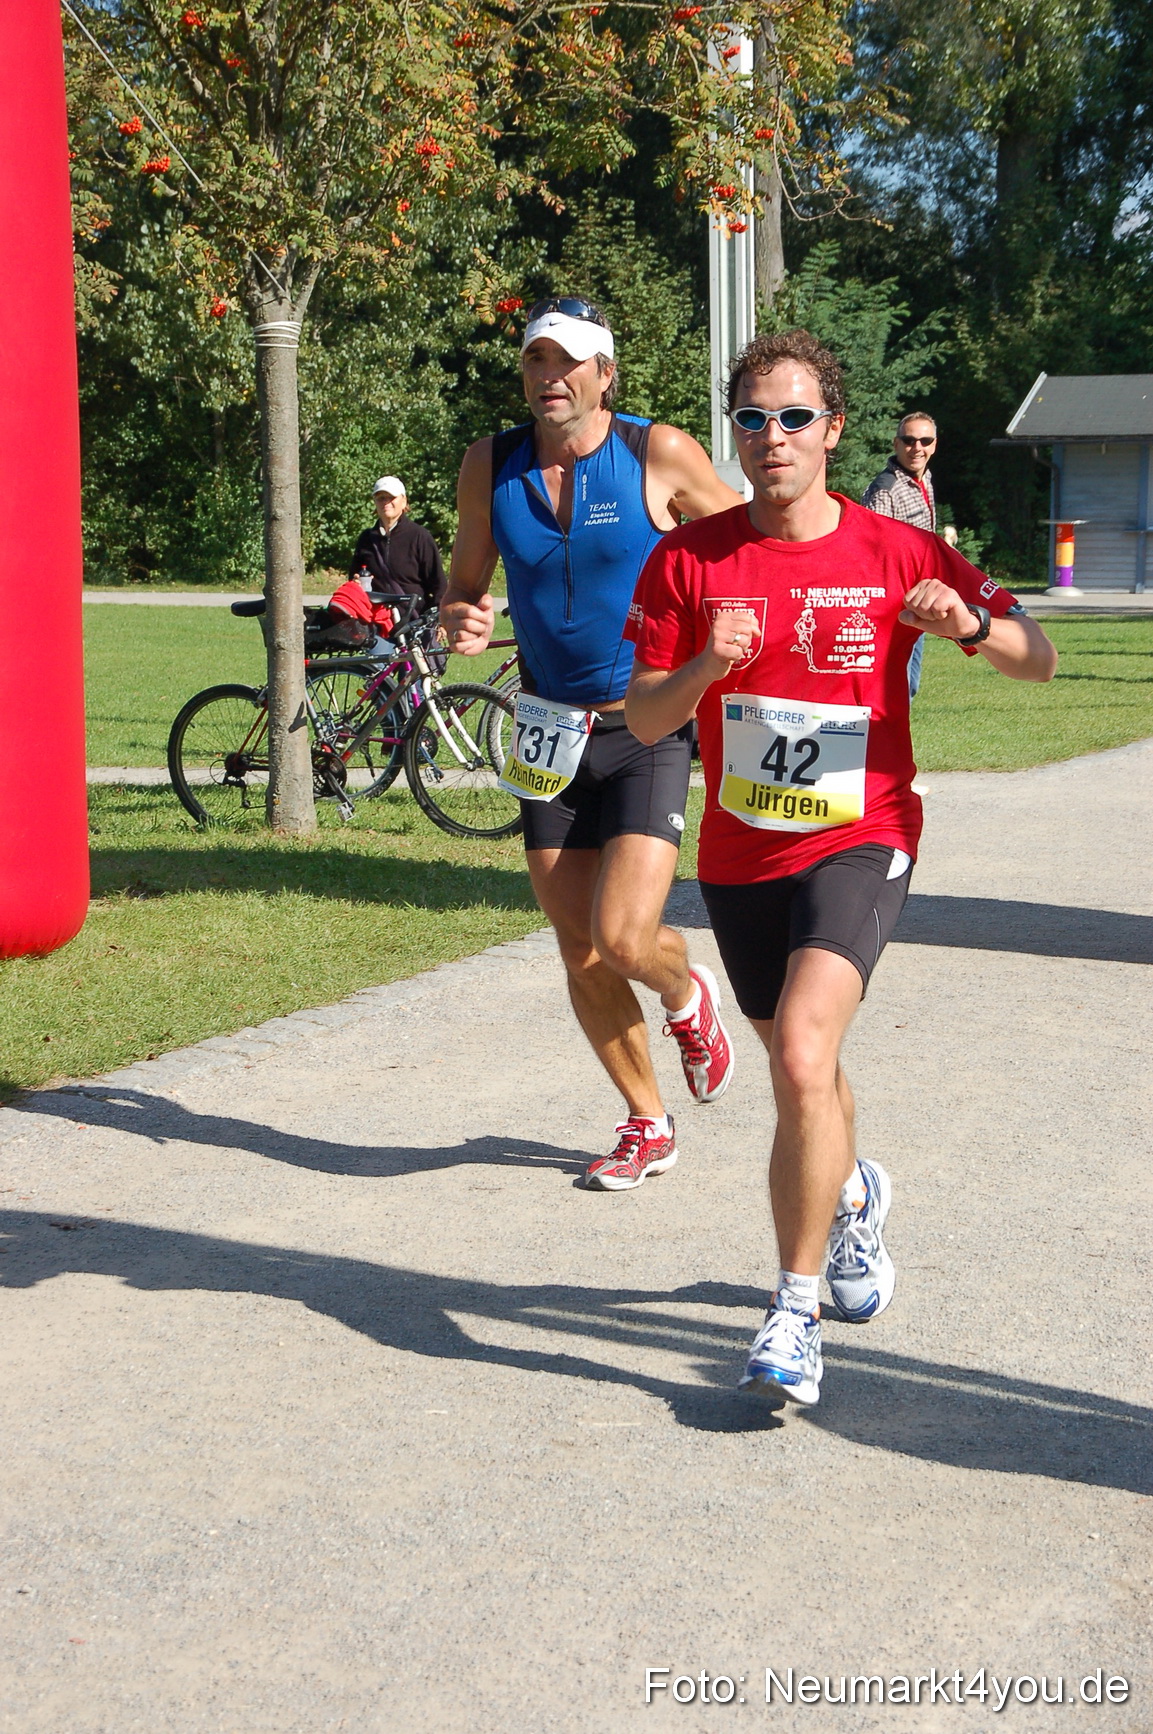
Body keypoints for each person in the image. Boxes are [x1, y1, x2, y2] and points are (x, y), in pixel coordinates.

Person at [624, 329, 1056, 1405]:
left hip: (862, 833)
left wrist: (965, 626)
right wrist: (703, 668)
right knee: (794, 1063)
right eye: (754, 420)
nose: (773, 438)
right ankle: (853, 1194)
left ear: (834, 429)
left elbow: (1037, 661)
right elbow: (640, 717)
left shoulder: (894, 548)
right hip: (737, 847)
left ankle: (792, 1310)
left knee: (804, 1058)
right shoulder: (691, 558)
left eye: (795, 418)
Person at [441, 294, 742, 1190]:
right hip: (545, 730)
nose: (550, 378)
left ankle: (687, 994)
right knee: (576, 947)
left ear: (605, 373)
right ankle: (647, 1120)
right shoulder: (487, 465)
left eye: (568, 362)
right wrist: (463, 613)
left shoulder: (657, 452)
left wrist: (715, 642)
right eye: (536, 361)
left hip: (644, 723)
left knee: (621, 937)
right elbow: (465, 578)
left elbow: (744, 552)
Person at [862, 413, 940, 697]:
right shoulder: (886, 488)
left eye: (925, 440)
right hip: (894, 603)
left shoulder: (924, 479)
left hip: (918, 597)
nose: (916, 447)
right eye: (908, 440)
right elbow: (872, 551)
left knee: (910, 684)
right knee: (897, 685)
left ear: (934, 445)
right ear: (896, 444)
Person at [346, 475, 446, 615]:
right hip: (374, 619)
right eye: (381, 498)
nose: (386, 502)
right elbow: (353, 578)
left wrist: (439, 618)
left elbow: (438, 583)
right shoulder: (366, 539)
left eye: (391, 497)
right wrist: (356, 583)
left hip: (411, 621)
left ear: (404, 501)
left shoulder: (419, 536)